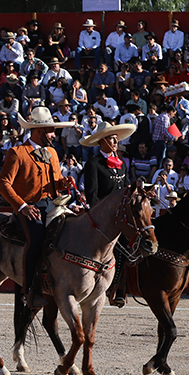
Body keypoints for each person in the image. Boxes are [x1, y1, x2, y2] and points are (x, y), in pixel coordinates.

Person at [0, 107, 75, 308]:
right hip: (28, 207)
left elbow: (55, 181)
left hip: (53, 204)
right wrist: (22, 206)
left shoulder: (52, 153)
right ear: (39, 131)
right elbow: (3, 184)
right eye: (51, 131)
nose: (54, 135)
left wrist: (63, 183)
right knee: (37, 239)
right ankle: (30, 289)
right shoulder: (17, 153)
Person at [79, 121, 137, 307]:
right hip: (103, 218)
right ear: (102, 141)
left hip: (121, 217)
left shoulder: (122, 165)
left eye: (116, 138)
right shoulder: (93, 164)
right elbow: (92, 195)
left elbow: (127, 189)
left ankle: (121, 287)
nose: (115, 142)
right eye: (112, 138)